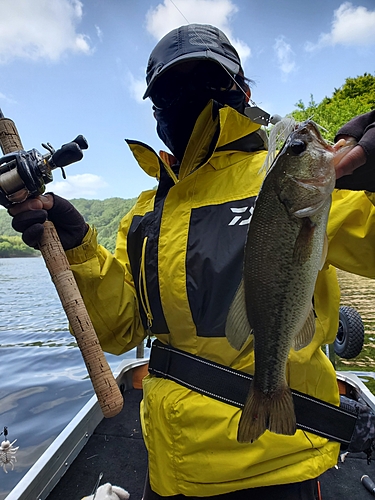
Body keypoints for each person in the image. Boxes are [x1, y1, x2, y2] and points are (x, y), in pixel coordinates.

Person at [8, 23, 375, 500]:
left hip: (279, 467)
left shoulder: (292, 176)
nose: (186, 100)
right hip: (168, 468)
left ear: (242, 93)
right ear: (155, 110)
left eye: (207, 83)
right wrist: (78, 245)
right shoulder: (145, 211)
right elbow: (121, 330)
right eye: (169, 91)